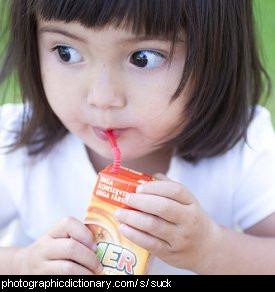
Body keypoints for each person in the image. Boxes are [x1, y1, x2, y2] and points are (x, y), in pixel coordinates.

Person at [0, 0, 275, 275]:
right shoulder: (16, 141)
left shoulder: (242, 146)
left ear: (216, 54)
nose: (102, 97)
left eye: (143, 58)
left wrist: (211, 249)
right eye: (66, 52)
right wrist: (22, 264)